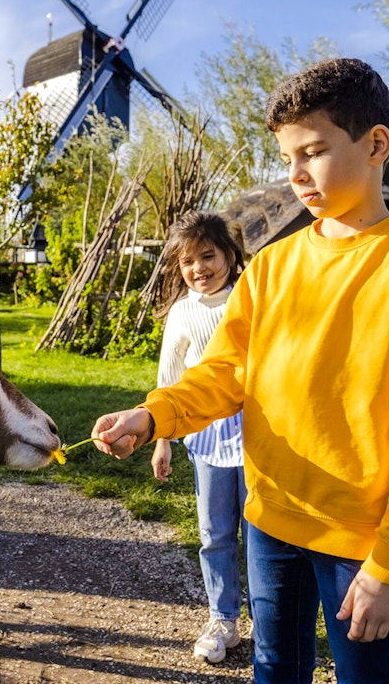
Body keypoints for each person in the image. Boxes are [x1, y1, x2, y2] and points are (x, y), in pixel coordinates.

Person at [89, 58, 389, 684]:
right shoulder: (269, 268)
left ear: (376, 145)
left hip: (359, 539)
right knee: (275, 669)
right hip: (269, 518)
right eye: (288, 157)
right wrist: (154, 414)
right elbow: (226, 371)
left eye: (313, 152)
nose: (295, 175)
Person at [149, 210, 248, 665]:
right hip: (207, 438)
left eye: (207, 256)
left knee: (266, 534)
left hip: (259, 436)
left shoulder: (249, 298)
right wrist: (162, 440)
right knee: (215, 532)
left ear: (229, 254)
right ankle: (223, 617)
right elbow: (169, 378)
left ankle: (269, 623)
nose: (199, 269)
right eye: (188, 262)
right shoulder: (183, 313)